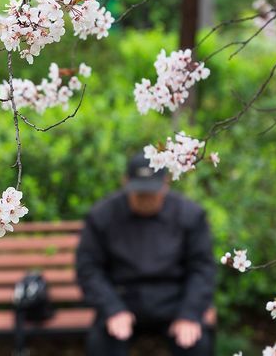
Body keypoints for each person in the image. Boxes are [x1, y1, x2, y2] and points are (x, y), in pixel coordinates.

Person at [76, 152, 217, 356]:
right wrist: (112, 308)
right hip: (122, 300)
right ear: (126, 183)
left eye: (152, 193)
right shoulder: (102, 216)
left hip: (174, 301)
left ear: (165, 184)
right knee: (102, 345)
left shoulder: (190, 216)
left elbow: (202, 268)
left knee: (197, 344)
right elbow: (89, 268)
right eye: (139, 193)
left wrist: (190, 313)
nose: (146, 199)